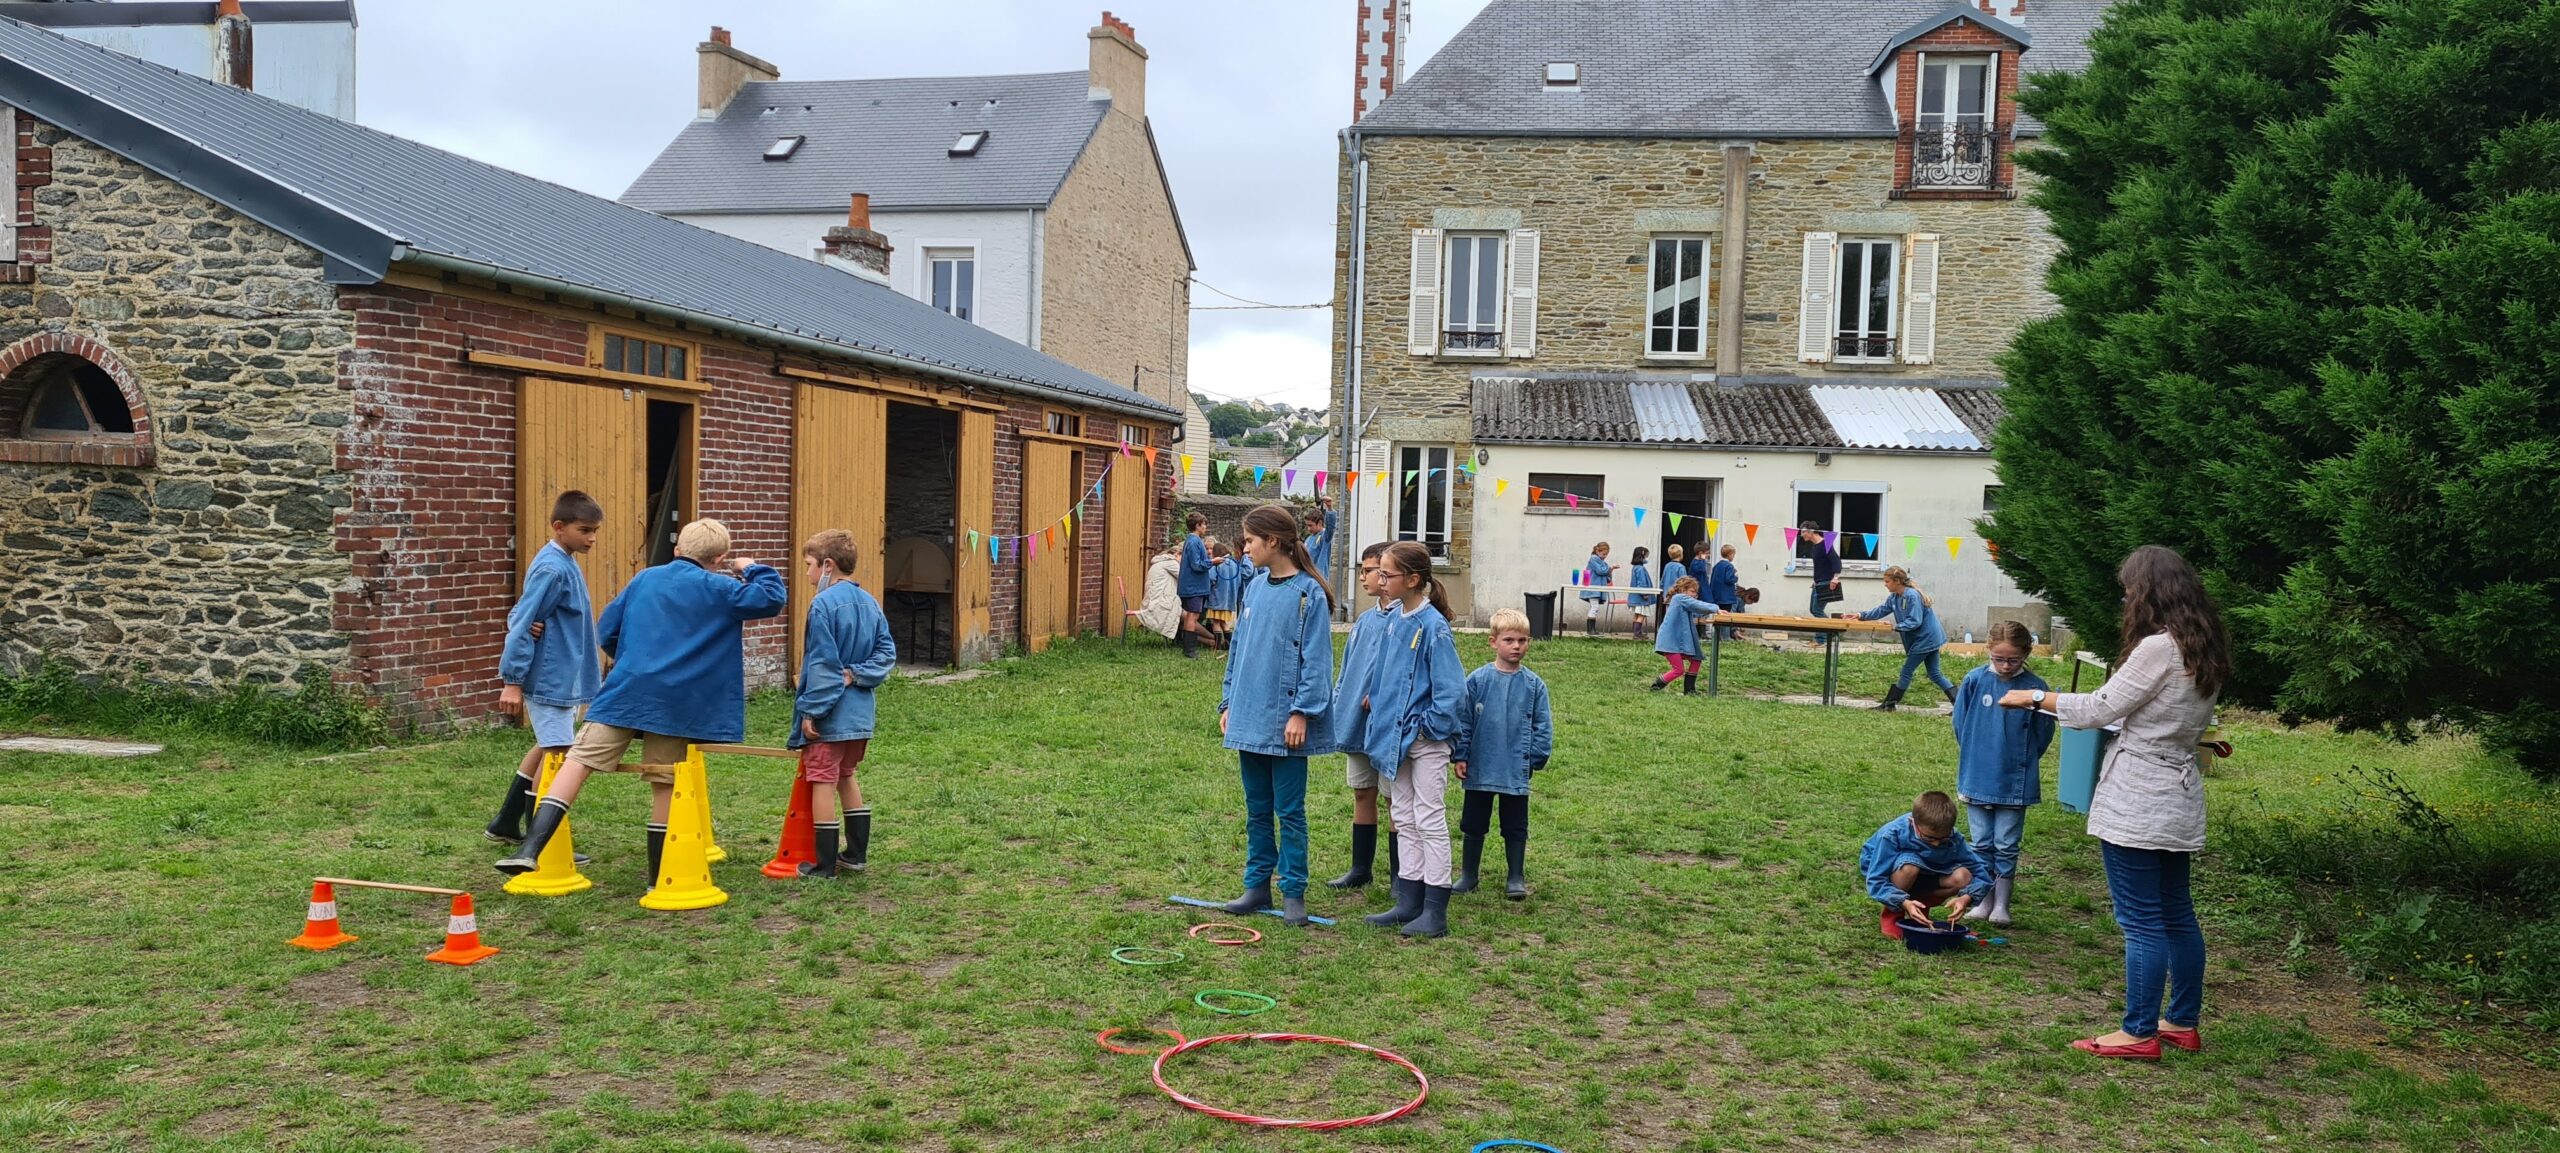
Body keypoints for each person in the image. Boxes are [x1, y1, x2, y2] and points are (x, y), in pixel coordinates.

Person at [2000, 545, 2229, 1060]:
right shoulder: (2203, 646)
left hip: (2139, 798)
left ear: (2149, 592)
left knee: (2141, 920)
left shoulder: (2158, 648)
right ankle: (2181, 1023)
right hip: (2178, 792)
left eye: (2129, 591)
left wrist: (2034, 698)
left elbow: (2099, 707)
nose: (2126, 600)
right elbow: (2148, 712)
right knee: (2177, 913)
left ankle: (2138, 1032)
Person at [497, 519, 788, 881]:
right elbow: (772, 598)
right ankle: (657, 877)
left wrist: (632, 659)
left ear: (678, 549)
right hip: (677, 702)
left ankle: (530, 848)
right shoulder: (723, 588)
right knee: (663, 780)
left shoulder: (645, 579)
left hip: (628, 689)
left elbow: (608, 630)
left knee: (578, 760)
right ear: (719, 558)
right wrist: (753, 568)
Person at [1216, 504, 1337, 927]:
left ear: (1273, 541)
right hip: (1249, 714)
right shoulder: (1253, 587)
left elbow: (1317, 661)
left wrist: (1302, 712)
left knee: (1289, 811)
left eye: (1250, 541)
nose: (1245, 548)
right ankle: (1257, 885)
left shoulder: (1309, 595)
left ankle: (1293, 891)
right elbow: (1238, 651)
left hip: (1287, 725)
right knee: (1257, 808)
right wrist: (1229, 702)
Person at [1349, 540, 1467, 938]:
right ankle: (1408, 901)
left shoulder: (1434, 627)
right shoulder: (1395, 620)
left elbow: (1452, 692)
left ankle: (1435, 910)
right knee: (1403, 815)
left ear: (1413, 579)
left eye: (1387, 574)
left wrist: (1426, 728)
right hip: (1394, 741)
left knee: (1429, 818)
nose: (1381, 580)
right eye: (1379, 573)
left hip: (1425, 742)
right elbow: (1383, 679)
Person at [487, 490, 605, 847]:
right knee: (557, 754)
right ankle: (540, 844)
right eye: (584, 530)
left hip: (563, 677)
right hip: (550, 678)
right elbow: (523, 621)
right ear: (559, 526)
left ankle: (506, 822)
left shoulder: (563, 560)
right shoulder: (553, 567)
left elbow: (523, 613)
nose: (592, 538)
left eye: (595, 531)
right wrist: (512, 681)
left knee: (548, 745)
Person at [788, 530, 898, 879]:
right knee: (846, 776)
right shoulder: (871, 602)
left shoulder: (822, 604)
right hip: (861, 714)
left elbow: (822, 664)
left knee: (822, 780)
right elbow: (887, 654)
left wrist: (812, 710)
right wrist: (857, 674)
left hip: (831, 716)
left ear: (827, 565)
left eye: (809, 565)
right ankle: (855, 855)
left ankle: (824, 865)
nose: (807, 574)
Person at [1952, 620, 2053, 923]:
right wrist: (1974, 756)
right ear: (1988, 650)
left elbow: (2043, 733)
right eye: (1999, 659)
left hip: (2014, 780)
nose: (2006, 666)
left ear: (2026, 654)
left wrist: (2023, 760)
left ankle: (2002, 906)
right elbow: (1960, 725)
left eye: (2013, 660)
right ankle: (1983, 901)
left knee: (2006, 844)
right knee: (1981, 843)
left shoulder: (2036, 689)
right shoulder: (1974, 680)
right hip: (1977, 775)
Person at [1452, 608, 1552, 900]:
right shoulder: (1477, 681)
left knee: (1515, 824)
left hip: (1515, 767)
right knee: (1473, 822)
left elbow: (1542, 725)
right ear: (1493, 642)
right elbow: (1464, 720)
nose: (1516, 646)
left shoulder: (1534, 685)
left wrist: (1535, 757)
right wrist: (1460, 755)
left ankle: (1515, 876)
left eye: (1523, 640)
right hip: (1480, 765)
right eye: (1509, 640)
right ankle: (1469, 875)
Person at [1326, 542, 1398, 890]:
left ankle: (1401, 876)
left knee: (1394, 798)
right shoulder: (1365, 620)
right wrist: (1339, 701)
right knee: (1362, 791)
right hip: (1357, 721)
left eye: (1368, 570)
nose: (1362, 577)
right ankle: (1360, 868)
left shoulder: (1406, 619)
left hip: (1388, 726)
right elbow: (1348, 669)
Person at [1859, 790, 1992, 939]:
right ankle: (1893, 913)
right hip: (1898, 874)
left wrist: (1967, 898)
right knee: (1909, 867)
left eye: (1943, 839)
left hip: (1927, 874)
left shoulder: (1954, 838)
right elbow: (1876, 879)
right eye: (1929, 838)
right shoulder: (1892, 835)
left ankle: (1920, 908)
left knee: (1963, 876)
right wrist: (1902, 902)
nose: (1936, 844)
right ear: (1913, 822)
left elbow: (1981, 871)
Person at [1858, 566, 1955, 710]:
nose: (1885, 584)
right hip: (1929, 638)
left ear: (1897, 581)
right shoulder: (1894, 597)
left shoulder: (1912, 596)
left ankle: (1889, 704)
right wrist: (1860, 615)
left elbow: (1915, 620)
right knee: (1935, 674)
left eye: (1887, 581)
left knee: (1906, 671)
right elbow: (1882, 610)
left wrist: (1895, 627)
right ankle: (1960, 704)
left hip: (1926, 638)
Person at [1650, 575, 1717, 695]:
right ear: (1683, 590)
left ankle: (1690, 690)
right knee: (1678, 669)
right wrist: (1715, 608)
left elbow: (1696, 608)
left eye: (1696, 592)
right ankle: (1656, 685)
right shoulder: (1679, 598)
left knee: (1696, 660)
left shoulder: (1683, 602)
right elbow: (1698, 605)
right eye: (1692, 591)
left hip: (1678, 642)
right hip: (1670, 642)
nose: (1695, 595)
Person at [1177, 512, 1214, 659]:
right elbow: (1196, 565)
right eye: (1203, 524)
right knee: (1193, 615)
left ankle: (1188, 648)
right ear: (1197, 525)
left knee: (1191, 615)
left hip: (1193, 586)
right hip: (1194, 587)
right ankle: (1190, 650)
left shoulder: (1193, 540)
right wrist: (1212, 562)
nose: (1205, 527)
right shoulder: (1194, 541)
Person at [1204, 540, 1242, 650]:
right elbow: (1239, 581)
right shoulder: (1235, 563)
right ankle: (1229, 645)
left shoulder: (1217, 564)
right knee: (1224, 623)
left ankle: (1217, 647)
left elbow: (1211, 578)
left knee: (1216, 622)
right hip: (1229, 599)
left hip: (1216, 597)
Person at [1804, 520, 1843, 621]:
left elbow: (1836, 561)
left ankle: (1830, 629)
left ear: (1811, 531)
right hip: (1818, 582)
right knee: (1813, 610)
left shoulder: (1826, 544)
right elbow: (1820, 565)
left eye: (1804, 532)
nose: (1802, 534)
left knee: (1817, 610)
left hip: (1826, 582)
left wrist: (1835, 578)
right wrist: (1815, 580)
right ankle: (1829, 629)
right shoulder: (1815, 547)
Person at [1708, 543, 1743, 641]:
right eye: (1733, 554)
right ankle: (1725, 637)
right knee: (1726, 617)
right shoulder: (1729, 566)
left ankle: (1717, 637)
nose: (1734, 557)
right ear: (1730, 554)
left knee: (1718, 617)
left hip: (1717, 596)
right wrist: (1735, 577)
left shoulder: (1716, 566)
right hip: (1726, 597)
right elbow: (1729, 579)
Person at [1580, 541, 1613, 636]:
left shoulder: (1602, 562)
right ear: (1598, 551)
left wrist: (1609, 571)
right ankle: (1590, 630)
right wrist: (1610, 569)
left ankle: (1592, 629)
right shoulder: (1593, 559)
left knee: (1594, 607)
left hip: (1596, 588)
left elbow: (1606, 576)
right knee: (1595, 607)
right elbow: (1600, 571)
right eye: (1604, 554)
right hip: (1593, 588)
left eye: (1606, 554)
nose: (1605, 556)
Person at [1626, 545, 1656, 638]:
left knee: (1637, 614)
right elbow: (1641, 582)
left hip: (1636, 597)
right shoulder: (1640, 568)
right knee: (1642, 614)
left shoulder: (1635, 567)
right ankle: (1637, 634)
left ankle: (1636, 633)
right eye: (1646, 556)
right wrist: (1644, 593)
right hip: (1641, 597)